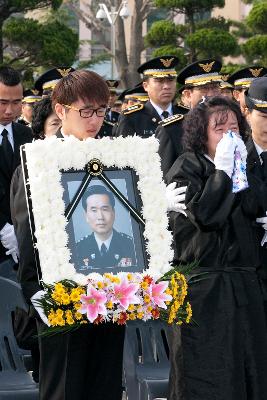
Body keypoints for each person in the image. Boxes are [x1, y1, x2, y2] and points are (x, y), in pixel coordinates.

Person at [10, 69, 125, 400]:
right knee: (65, 388)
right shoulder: (36, 162)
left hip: (111, 293)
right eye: (85, 111)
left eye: (101, 111)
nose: (95, 120)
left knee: (104, 386)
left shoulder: (113, 158)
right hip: (61, 297)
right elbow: (27, 238)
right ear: (60, 110)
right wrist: (40, 298)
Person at [166, 96, 267, 400]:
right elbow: (206, 216)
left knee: (250, 369)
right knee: (207, 375)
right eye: (220, 129)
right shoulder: (187, 165)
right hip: (203, 290)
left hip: (242, 284)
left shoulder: (243, 163)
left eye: (234, 128)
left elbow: (254, 205)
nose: (229, 136)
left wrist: (239, 173)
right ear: (202, 134)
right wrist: (221, 173)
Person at [155, 58, 223, 178]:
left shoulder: (230, 125)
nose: (211, 94)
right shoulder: (171, 130)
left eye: (215, 87)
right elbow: (162, 176)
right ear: (188, 95)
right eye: (204, 89)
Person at [0, 66, 32, 279]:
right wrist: (3, 227)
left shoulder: (26, 134)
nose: (10, 110)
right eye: (2, 103)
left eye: (16, 102)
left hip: (22, 238)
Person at [114, 55, 182, 137]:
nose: (166, 86)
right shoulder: (132, 118)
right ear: (146, 86)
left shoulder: (187, 114)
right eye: (160, 81)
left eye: (171, 80)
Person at [76, 185, 136, 272]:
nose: (100, 217)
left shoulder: (131, 245)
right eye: (94, 210)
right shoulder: (78, 248)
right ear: (86, 216)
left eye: (105, 209)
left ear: (113, 213)